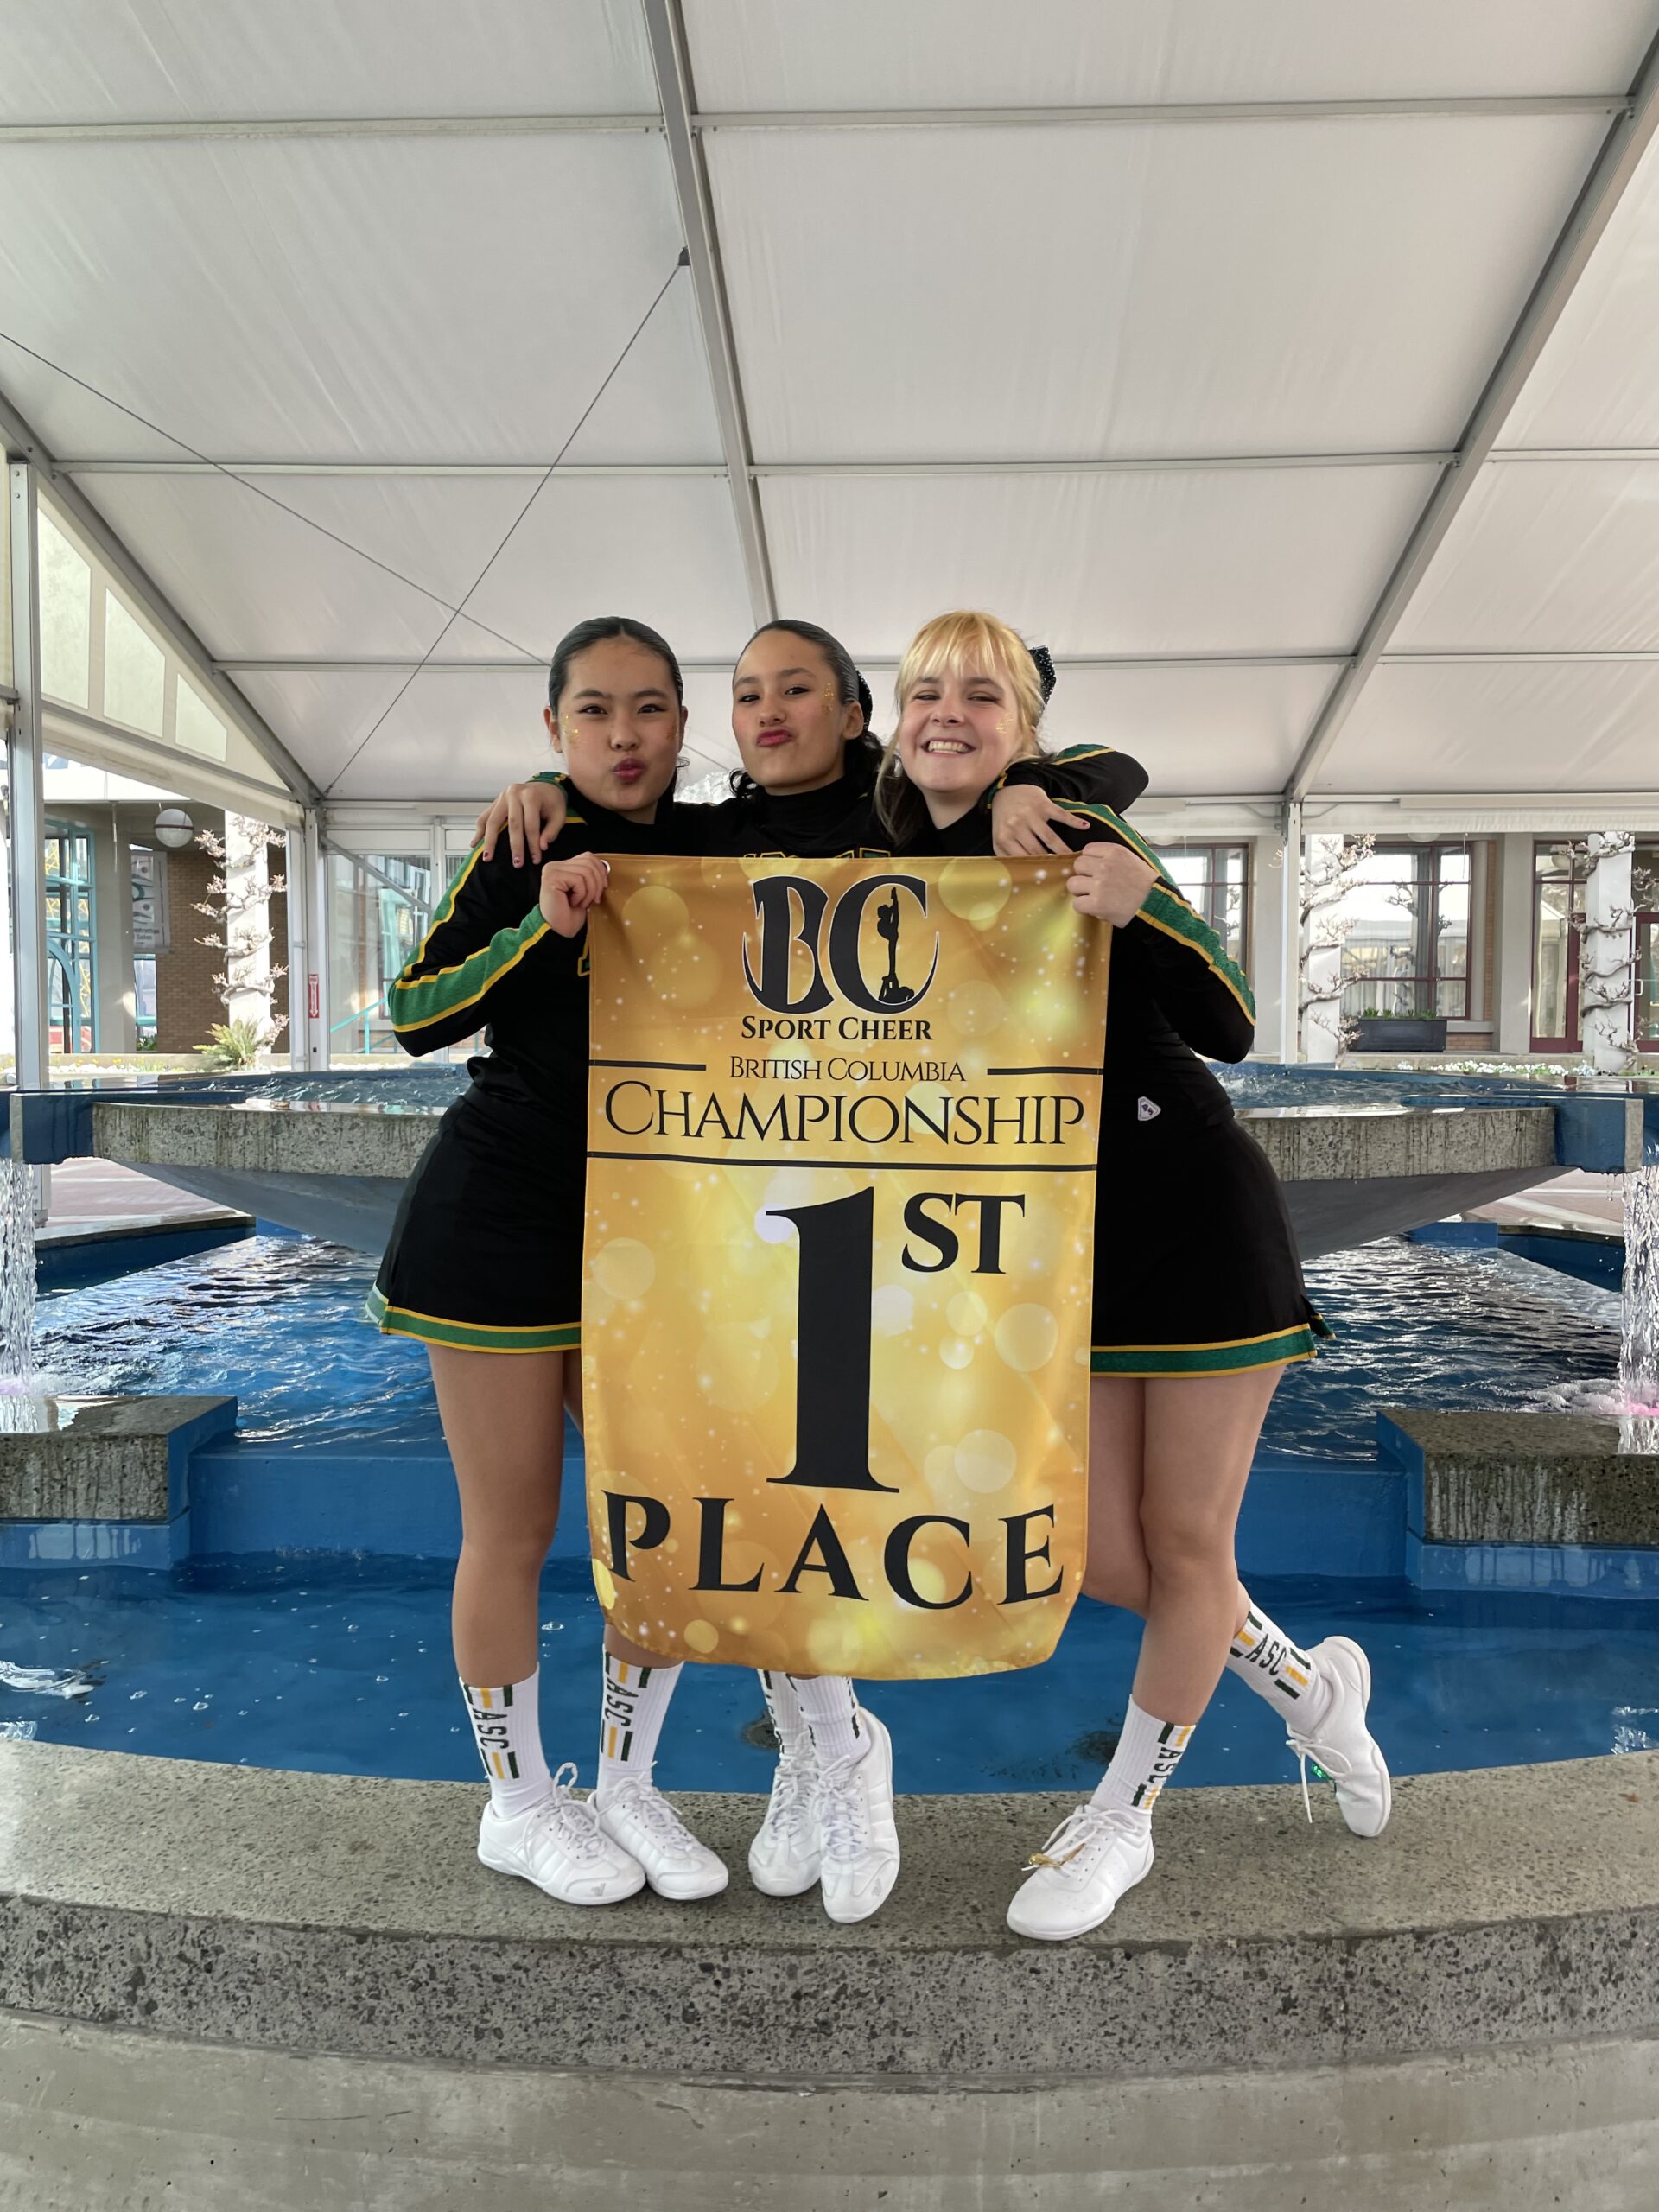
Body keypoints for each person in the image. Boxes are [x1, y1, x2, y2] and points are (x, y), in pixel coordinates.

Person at [472, 616, 1151, 1924]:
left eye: (798, 688)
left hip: (890, 1208)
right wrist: (548, 789)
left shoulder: (908, 812)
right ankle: (816, 1748)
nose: (769, 711)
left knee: (826, 1471)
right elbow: (607, 824)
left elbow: (1097, 768)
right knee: (727, 1474)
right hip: (735, 1207)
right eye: (746, 693)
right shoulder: (707, 836)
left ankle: (828, 1751)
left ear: (856, 711)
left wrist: (1027, 783)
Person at [875, 610, 1389, 1943]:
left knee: (1187, 1544)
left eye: (981, 695)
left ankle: (1123, 1818)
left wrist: (1136, 896)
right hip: (1059, 1251)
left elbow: (1231, 1022)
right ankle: (1310, 1692)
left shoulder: (1068, 822)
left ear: (1025, 728)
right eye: (925, 691)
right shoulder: (888, 860)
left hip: (1194, 1220)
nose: (948, 713)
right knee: (1100, 1555)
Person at [368, 615, 729, 1910]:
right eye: (594, 711)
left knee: (659, 1527)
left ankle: (628, 1786)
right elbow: (414, 1013)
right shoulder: (524, 842)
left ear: (684, 723)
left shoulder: (726, 845)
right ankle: (518, 1805)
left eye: (650, 708)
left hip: (658, 1230)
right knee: (512, 1526)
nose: (624, 736)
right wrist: (543, 918)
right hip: (500, 1218)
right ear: (555, 726)